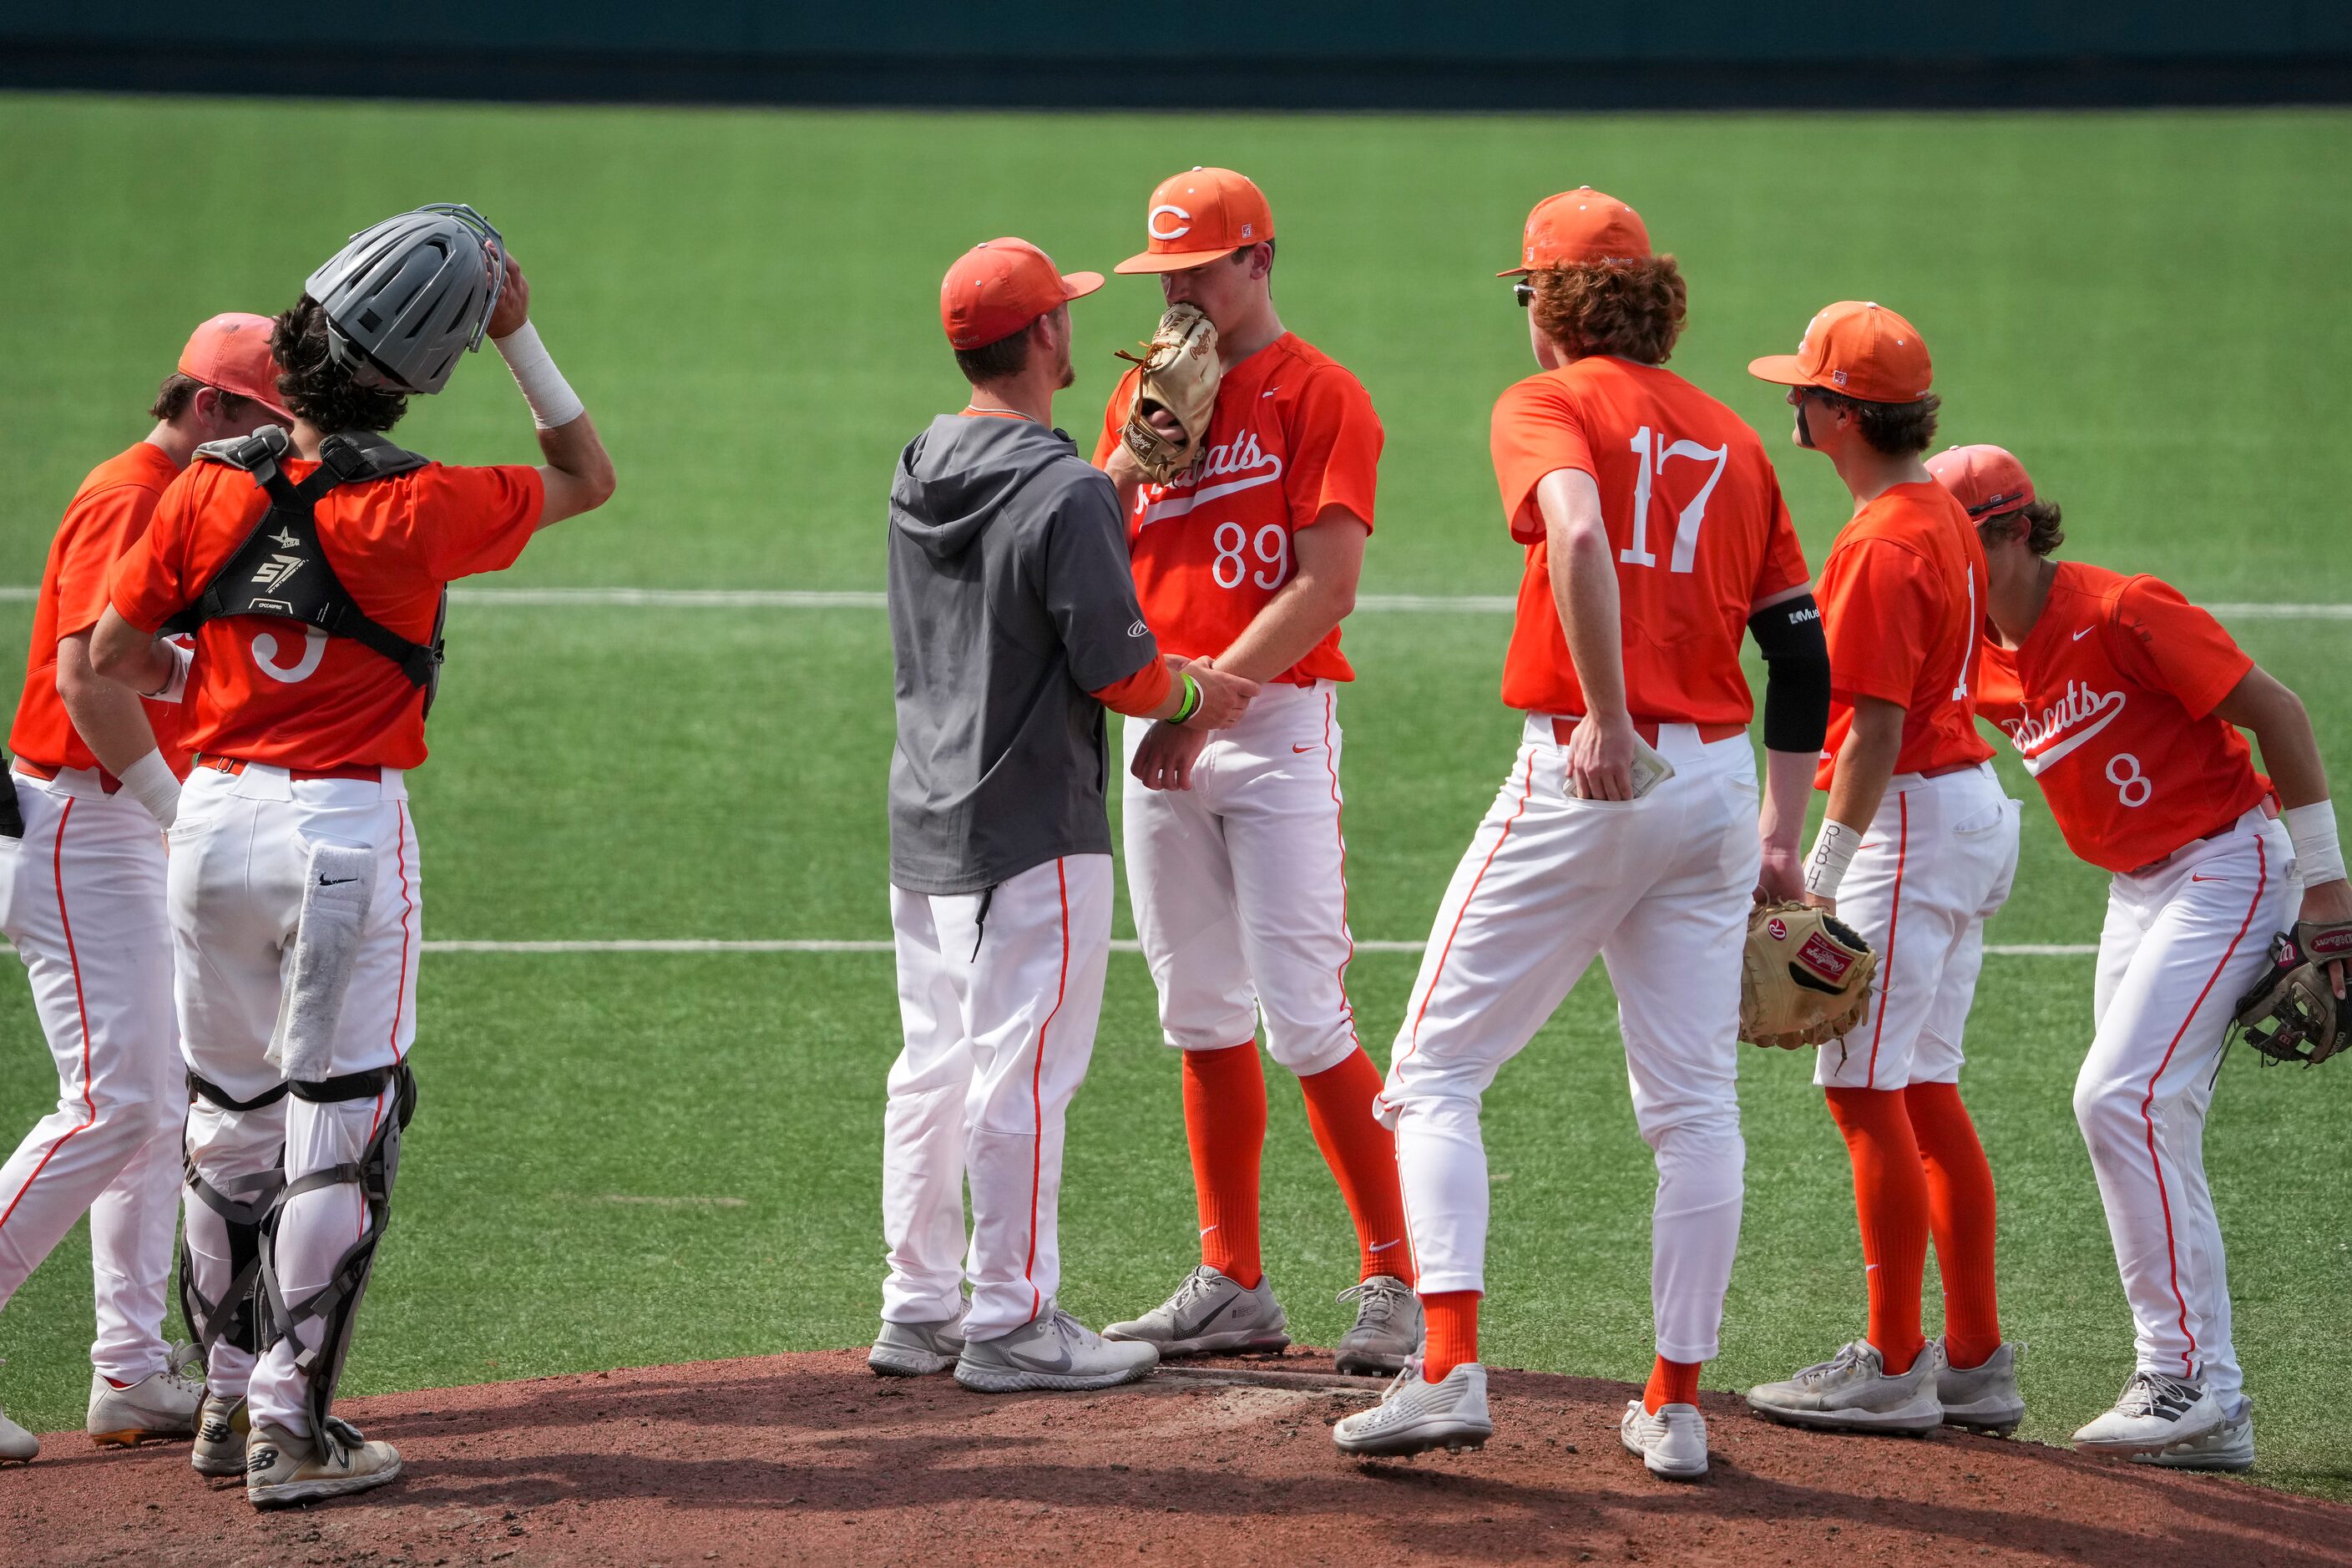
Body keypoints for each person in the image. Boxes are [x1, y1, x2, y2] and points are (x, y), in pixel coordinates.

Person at [92, 205, 615, 1505]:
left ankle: (219, 1403)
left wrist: (213, 676)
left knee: (229, 1123)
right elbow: (587, 473)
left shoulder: (206, 488)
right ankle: (292, 1424)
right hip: (338, 834)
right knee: (342, 1129)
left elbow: (109, 657)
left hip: (207, 822)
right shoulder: (424, 507)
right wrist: (520, 333)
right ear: (415, 370)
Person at [1335, 190, 1829, 1477]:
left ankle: (1444, 1367)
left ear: (1553, 304)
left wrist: (1607, 714)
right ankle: (1672, 1405)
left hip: (1588, 771)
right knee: (1693, 1108)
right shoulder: (1735, 435)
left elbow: (1576, 528)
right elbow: (1795, 645)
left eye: (1525, 295)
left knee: (1433, 1072)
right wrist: (1784, 827)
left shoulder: (1544, 406)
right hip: (1718, 792)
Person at [872, 237, 1257, 1395]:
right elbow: (1119, 668)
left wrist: (1119, 484)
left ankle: (917, 1305)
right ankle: (1014, 1317)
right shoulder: (1067, 486)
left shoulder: (919, 457)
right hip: (1030, 823)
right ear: (1045, 337)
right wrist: (1200, 688)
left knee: (932, 1067)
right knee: (1021, 1075)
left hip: (923, 813)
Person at [1945, 443, 2344, 1471]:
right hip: (2139, 890)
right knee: (2145, 1115)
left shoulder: (2126, 610)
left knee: (2118, 1099)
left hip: (2231, 865)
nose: (1941, 565)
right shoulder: (1978, 651)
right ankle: (2215, 1405)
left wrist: (2331, 889)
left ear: (2016, 530)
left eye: (1957, 544)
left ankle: (2188, 1379)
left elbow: (2280, 714)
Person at [1090, 168, 1421, 1375]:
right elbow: (1082, 553)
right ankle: (1230, 1277)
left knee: (1305, 1011)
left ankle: (1399, 1276)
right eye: (1164, 273)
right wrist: (1129, 459)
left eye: (1199, 269)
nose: (1177, 292)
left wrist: (1200, 699)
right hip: (1157, 725)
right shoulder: (1140, 391)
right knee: (1197, 1012)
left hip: (1270, 728)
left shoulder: (1322, 394)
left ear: (1259, 262)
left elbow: (1326, 585)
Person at [0, 316, 290, 1464]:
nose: (280, 452)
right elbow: (82, 678)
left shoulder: (179, 492)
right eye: (267, 427)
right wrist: (176, 811)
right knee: (111, 1099)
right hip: (82, 818)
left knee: (157, 1105)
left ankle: (129, 1367)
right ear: (210, 407)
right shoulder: (133, 493)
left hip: (114, 811)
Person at [1742, 305, 2026, 1438]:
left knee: (1863, 1090)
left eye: (1804, 390)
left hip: (1905, 824)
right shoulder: (1940, 515)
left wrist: (1820, 868)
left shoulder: (1879, 540)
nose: (1791, 404)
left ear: (1841, 414)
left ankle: (1895, 1360)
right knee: (1922, 1090)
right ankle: (1972, 1360)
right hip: (1965, 815)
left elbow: (1867, 726)